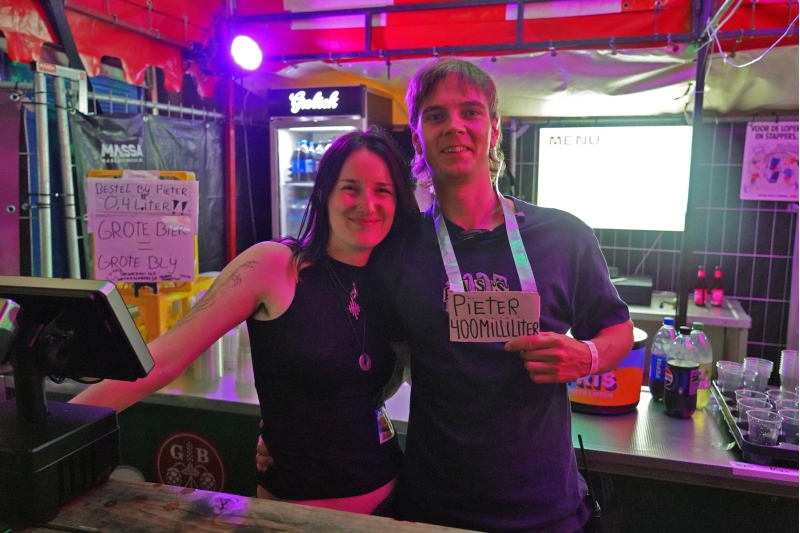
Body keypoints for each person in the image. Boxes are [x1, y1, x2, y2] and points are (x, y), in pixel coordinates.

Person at [258, 59, 633, 532]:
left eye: (470, 112)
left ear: (494, 128)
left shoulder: (564, 235)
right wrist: (296, 428)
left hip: (545, 507)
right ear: (417, 138)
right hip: (431, 508)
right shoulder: (397, 244)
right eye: (435, 115)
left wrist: (589, 355)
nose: (454, 126)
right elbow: (357, 354)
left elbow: (616, 328)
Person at [71, 127, 420, 514]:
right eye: (350, 188)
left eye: (383, 191)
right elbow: (163, 360)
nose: (367, 204)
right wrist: (62, 425)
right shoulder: (274, 266)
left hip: (389, 507)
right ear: (324, 193)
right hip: (292, 516)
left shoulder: (391, 282)